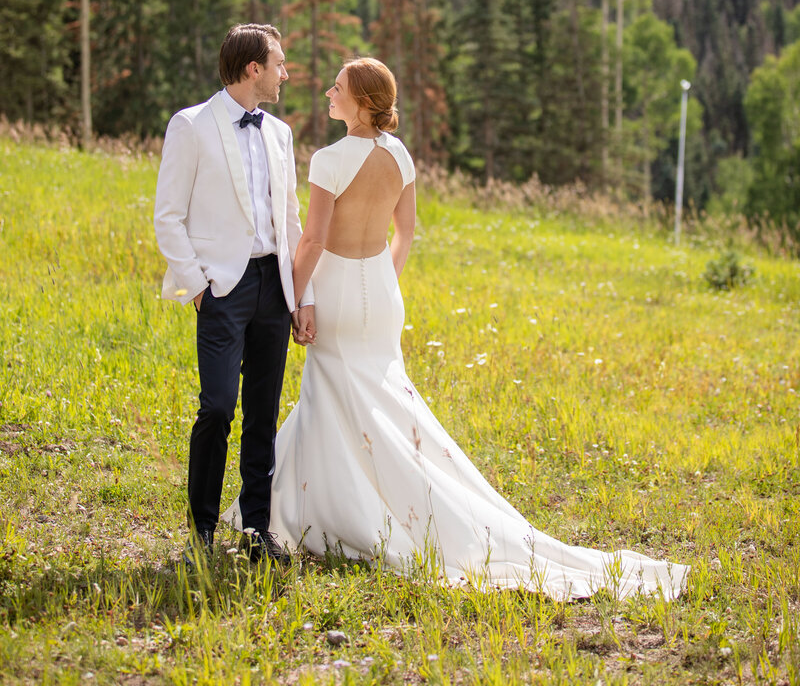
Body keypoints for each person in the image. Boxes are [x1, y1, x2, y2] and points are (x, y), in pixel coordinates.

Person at [225, 57, 690, 600]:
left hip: (336, 291)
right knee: (373, 400)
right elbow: (406, 232)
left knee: (335, 397)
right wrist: (385, 282)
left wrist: (297, 296)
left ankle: (329, 511)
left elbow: (313, 242)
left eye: (338, 88)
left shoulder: (329, 160)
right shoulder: (399, 155)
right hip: (381, 291)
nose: (328, 93)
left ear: (364, 103)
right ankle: (316, 501)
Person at [154, 23, 315, 567]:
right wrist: (198, 287)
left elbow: (290, 220)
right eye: (279, 63)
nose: (285, 74)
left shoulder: (281, 133)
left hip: (274, 283)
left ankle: (256, 528)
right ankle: (201, 529)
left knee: (262, 413)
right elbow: (168, 217)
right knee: (218, 405)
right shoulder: (191, 125)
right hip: (222, 287)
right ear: (253, 68)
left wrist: (300, 294)